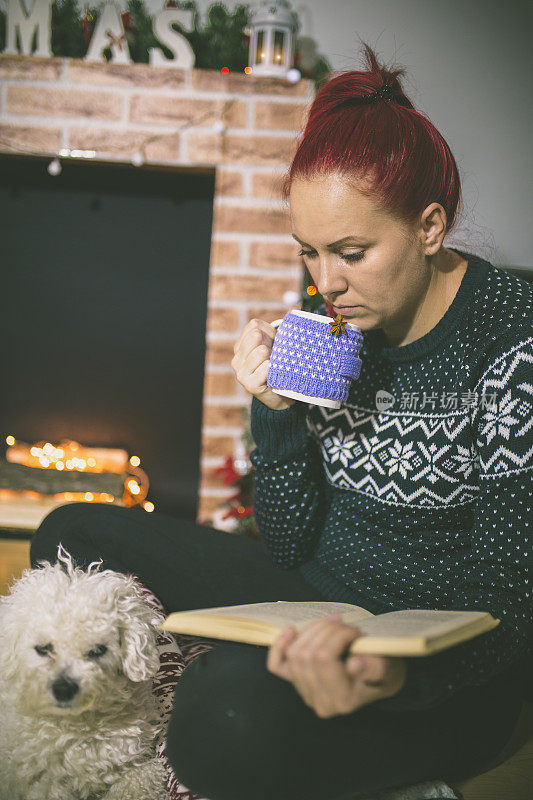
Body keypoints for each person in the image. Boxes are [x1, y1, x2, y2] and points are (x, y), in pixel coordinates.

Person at [29, 43, 532, 800]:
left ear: (429, 228)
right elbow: (292, 543)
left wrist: (390, 672)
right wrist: (273, 415)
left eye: (352, 253)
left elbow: (508, 598)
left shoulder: (509, 339)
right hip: (314, 596)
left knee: (225, 717)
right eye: (309, 254)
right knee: (72, 534)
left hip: (443, 664)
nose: (325, 284)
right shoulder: (334, 329)